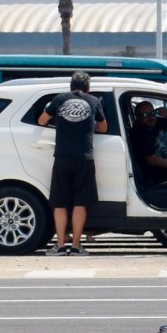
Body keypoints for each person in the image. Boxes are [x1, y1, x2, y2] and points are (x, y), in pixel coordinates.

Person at [37, 71, 107, 256]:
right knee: (80, 203)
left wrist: (60, 120)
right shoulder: (94, 101)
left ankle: (59, 245)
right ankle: (76, 246)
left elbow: (42, 120)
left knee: (59, 203)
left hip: (62, 157)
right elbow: (103, 127)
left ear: (71, 85)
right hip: (84, 158)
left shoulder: (60, 99)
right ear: (88, 87)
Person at [130, 100, 167, 185]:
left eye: (152, 113)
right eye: (145, 115)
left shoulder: (157, 122)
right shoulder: (139, 133)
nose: (150, 117)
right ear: (137, 117)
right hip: (161, 174)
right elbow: (152, 160)